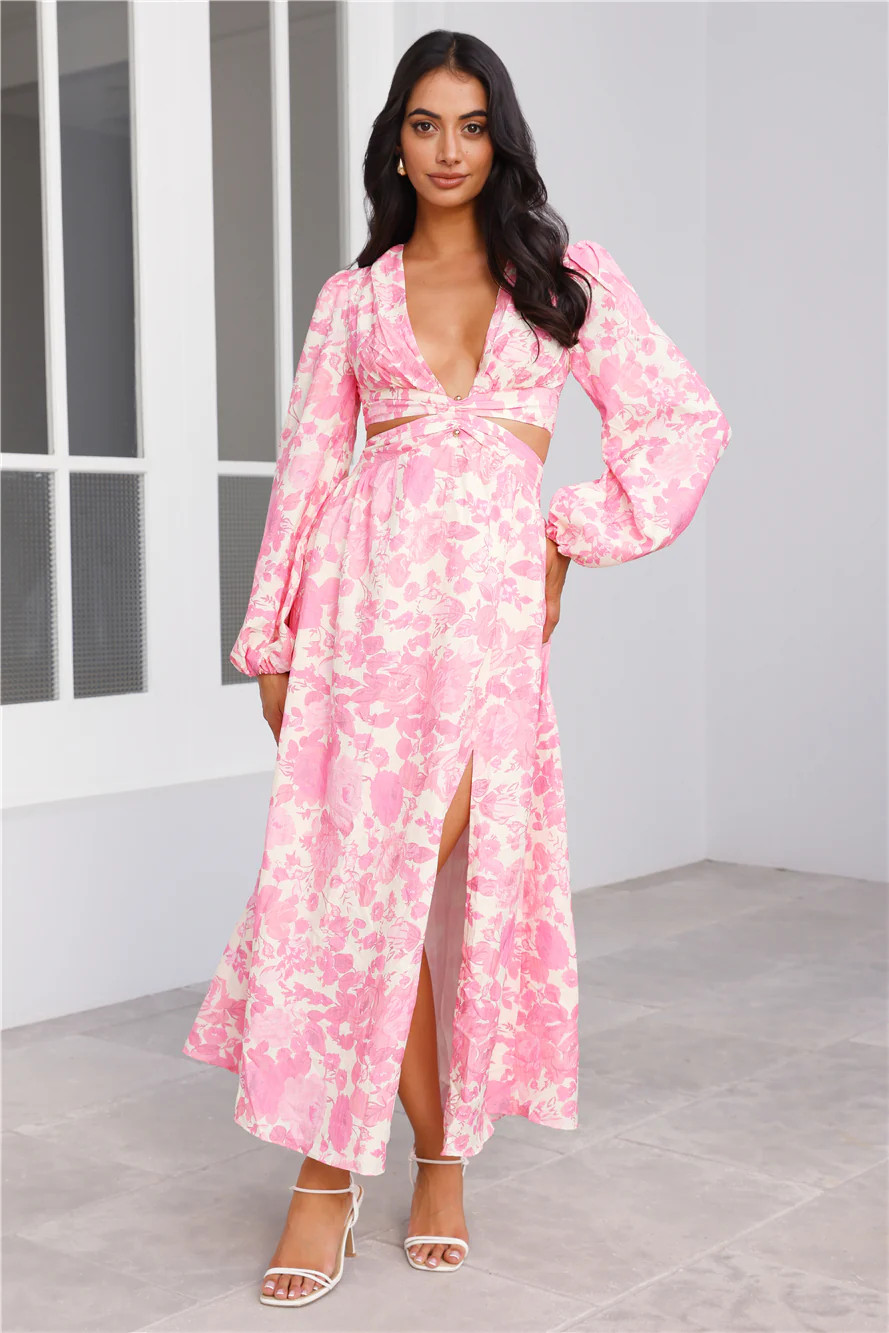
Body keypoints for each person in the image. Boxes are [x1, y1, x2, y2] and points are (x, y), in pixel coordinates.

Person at [182, 28, 731, 1308]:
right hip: (357, 630)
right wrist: (270, 640)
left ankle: (348, 1167)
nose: (447, 150)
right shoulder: (353, 298)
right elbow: (305, 474)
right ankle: (400, 1161)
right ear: (394, 143)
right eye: (424, 125)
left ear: (500, 140)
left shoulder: (561, 279)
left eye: (471, 125)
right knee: (357, 890)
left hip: (484, 633)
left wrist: (566, 536)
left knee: (397, 889)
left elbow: (680, 419)